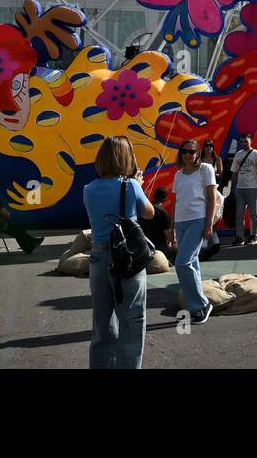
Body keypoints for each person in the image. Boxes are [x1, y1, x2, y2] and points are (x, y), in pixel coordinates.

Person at [83, 137, 154, 369]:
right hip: (127, 257)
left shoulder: (88, 189)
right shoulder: (131, 186)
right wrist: (138, 185)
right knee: (132, 322)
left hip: (98, 257)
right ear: (126, 158)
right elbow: (149, 213)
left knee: (103, 324)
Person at [169, 140, 216, 325]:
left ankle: (201, 305)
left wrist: (209, 224)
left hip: (198, 220)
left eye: (192, 151)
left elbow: (212, 199)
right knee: (192, 263)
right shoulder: (178, 174)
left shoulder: (205, 169)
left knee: (181, 263)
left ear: (198, 153)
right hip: (180, 222)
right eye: (184, 151)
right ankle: (198, 303)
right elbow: (176, 202)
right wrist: (172, 228)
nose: (188, 155)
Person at [229, 133, 257, 246]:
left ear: (251, 142)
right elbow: (234, 172)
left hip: (252, 187)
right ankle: (240, 237)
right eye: (242, 142)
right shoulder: (238, 155)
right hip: (240, 188)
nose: (244, 144)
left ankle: (253, 235)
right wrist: (232, 188)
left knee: (253, 213)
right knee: (239, 214)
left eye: (246, 142)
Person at [140, 187, 174, 261]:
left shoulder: (145, 210)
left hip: (145, 246)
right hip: (160, 248)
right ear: (165, 199)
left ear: (154, 196)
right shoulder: (163, 212)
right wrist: (172, 244)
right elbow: (167, 233)